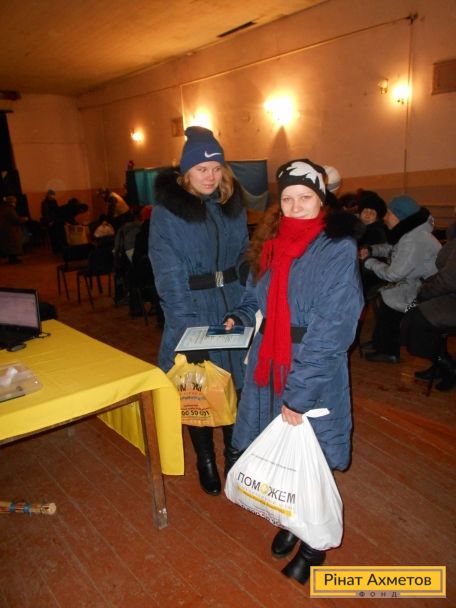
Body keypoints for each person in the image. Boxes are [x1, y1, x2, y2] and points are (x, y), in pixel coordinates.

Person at [224, 159, 364, 585]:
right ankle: (290, 516)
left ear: (322, 200)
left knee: (313, 452)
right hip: (270, 362)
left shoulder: (335, 248)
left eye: (306, 197)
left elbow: (333, 329)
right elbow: (255, 295)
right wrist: (239, 316)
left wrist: (299, 395)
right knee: (283, 450)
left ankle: (313, 545)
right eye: (288, 198)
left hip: (311, 367)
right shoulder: (271, 243)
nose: (296, 205)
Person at [149, 126, 249, 496]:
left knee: (236, 385)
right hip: (193, 309)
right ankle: (205, 459)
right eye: (201, 169)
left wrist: (248, 304)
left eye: (216, 168)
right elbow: (168, 275)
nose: (210, 176)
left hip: (232, 306)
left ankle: (235, 457)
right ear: (185, 173)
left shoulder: (232, 208)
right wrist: (188, 331)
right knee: (198, 389)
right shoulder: (167, 214)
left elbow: (245, 257)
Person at [360, 195, 441, 363]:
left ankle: (389, 350)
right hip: (419, 283)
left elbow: (394, 274)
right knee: (386, 296)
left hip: (428, 293)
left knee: (390, 301)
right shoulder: (411, 232)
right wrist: (372, 250)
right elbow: (393, 249)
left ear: (400, 217)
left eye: (389, 213)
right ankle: (381, 342)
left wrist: (368, 262)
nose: (385, 217)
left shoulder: (414, 240)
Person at [401, 230, 456, 391]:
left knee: (415, 320)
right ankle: (440, 363)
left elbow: (449, 280)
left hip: (451, 296)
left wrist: (425, 291)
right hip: (449, 293)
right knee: (412, 310)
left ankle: (449, 367)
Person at [357, 190, 388, 300]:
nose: (367, 215)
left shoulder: (376, 232)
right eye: (365, 211)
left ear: (377, 217)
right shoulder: (357, 229)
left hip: (370, 277)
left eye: (372, 213)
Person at [0, 195, 29, 263]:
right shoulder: (9, 210)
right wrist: (24, 219)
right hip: (11, 230)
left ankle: (12, 258)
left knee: (10, 244)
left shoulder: (4, 209)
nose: (15, 203)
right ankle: (13, 259)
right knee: (13, 244)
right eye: (14, 202)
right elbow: (15, 220)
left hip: (7, 230)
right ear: (10, 202)